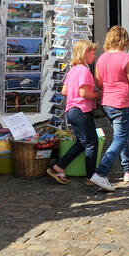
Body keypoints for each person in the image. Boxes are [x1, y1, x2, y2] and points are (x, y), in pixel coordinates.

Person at [89, 25, 129, 192]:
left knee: (122, 136)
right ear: (124, 40)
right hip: (121, 102)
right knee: (121, 138)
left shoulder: (102, 58)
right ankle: (101, 172)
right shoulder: (126, 58)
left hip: (106, 102)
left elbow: (98, 82)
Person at [47, 39, 101, 185]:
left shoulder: (72, 70)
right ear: (85, 53)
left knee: (82, 142)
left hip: (71, 111)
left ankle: (59, 166)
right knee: (91, 142)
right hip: (82, 110)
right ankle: (91, 176)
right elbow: (84, 93)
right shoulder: (84, 70)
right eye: (93, 52)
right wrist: (97, 95)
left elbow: (64, 91)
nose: (94, 55)